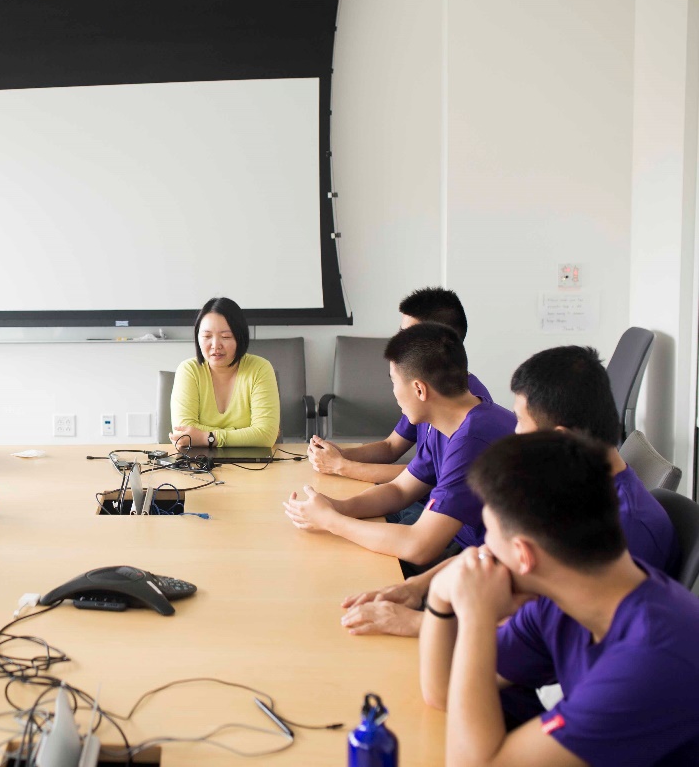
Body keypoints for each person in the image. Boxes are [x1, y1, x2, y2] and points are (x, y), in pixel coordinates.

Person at [340, 345, 681, 639]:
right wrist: (416, 587)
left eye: (521, 423)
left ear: (559, 439)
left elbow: (547, 634)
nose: (514, 433)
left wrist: (420, 622)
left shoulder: (622, 531)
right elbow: (496, 554)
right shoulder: (567, 483)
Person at [420, 432, 699, 766]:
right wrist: (440, 593)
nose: (484, 549)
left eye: (490, 533)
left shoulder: (651, 656)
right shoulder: (564, 595)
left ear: (523, 555)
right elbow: (442, 690)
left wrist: (475, 616)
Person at [284, 323, 516, 569]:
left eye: (394, 382)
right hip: (464, 546)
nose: (394, 393)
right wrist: (337, 507)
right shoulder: (448, 423)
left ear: (419, 389)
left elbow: (419, 547)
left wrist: (331, 521)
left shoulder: (471, 441)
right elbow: (400, 490)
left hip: (487, 562)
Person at [308, 286, 493, 484]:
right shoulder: (422, 389)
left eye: (407, 334)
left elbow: (426, 477)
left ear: (439, 339)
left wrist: (341, 466)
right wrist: (340, 454)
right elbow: (391, 447)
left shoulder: (466, 405)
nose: (398, 340)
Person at [169, 297, 279, 450]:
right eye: (207, 336)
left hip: (250, 462)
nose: (215, 345)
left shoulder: (260, 369)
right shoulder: (188, 370)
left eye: (226, 337)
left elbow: (265, 435)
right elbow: (184, 432)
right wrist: (244, 434)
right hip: (198, 460)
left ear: (240, 337)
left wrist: (206, 437)